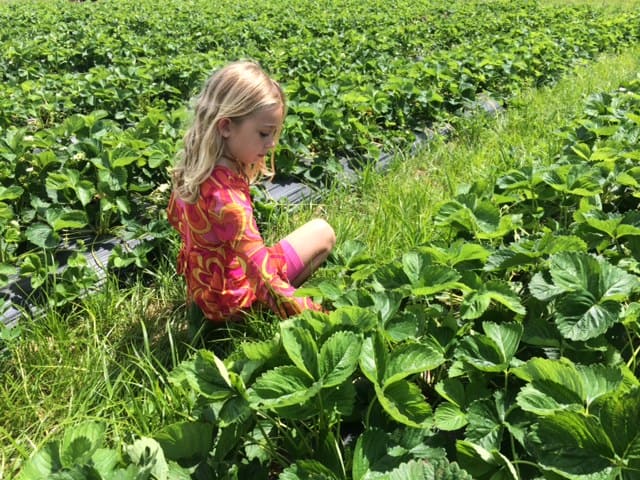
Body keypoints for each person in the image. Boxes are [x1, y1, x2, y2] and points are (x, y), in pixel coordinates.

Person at [167, 60, 336, 322]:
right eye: (264, 133)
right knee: (322, 232)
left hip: (204, 296)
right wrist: (327, 321)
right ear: (225, 127)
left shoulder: (195, 170)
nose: (271, 144)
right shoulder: (228, 201)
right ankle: (258, 315)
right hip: (232, 306)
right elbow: (264, 278)